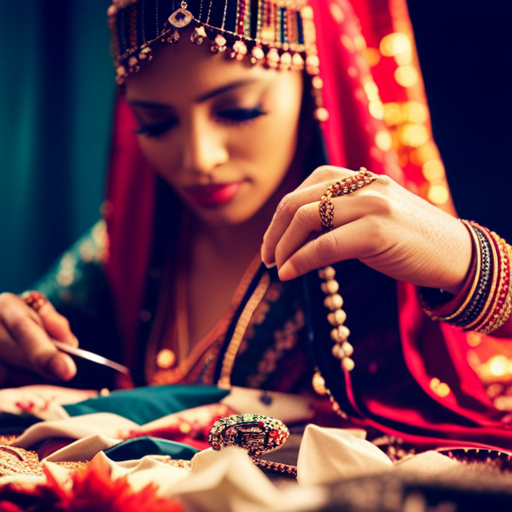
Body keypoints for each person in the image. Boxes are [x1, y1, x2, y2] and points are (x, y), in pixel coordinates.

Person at [0, 0, 511, 454]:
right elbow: (34, 348)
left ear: (316, 81)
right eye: (156, 124)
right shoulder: (126, 249)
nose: (199, 160)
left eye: (239, 111)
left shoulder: (382, 248)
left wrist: (469, 262)